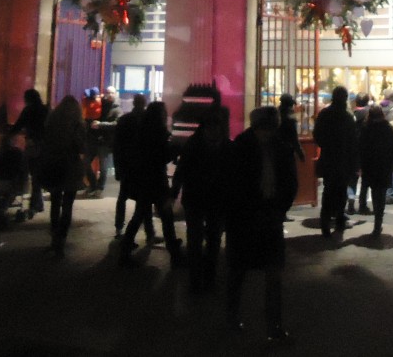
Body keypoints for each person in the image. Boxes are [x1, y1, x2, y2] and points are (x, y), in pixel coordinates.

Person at [223, 106, 297, 345]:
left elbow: (290, 184)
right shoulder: (242, 148)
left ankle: (272, 325)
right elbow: (235, 186)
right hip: (246, 219)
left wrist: (278, 209)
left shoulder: (275, 148)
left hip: (267, 217)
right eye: (266, 128)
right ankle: (235, 318)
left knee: (268, 274)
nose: (268, 133)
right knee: (240, 272)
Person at [172, 106, 230, 293]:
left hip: (215, 200)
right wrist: (173, 194)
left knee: (212, 241)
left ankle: (207, 279)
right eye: (211, 127)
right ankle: (197, 281)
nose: (214, 131)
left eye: (216, 127)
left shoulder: (224, 146)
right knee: (196, 241)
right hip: (197, 199)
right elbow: (181, 172)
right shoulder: (197, 145)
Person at [118, 100, 181, 266]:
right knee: (166, 217)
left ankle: (124, 252)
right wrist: (174, 148)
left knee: (140, 215)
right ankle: (175, 254)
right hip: (156, 181)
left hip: (143, 180)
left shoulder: (143, 132)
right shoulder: (159, 134)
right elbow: (162, 157)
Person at [40, 96, 87, 255]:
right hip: (70, 167)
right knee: (67, 206)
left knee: (55, 201)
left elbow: (45, 141)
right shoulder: (77, 124)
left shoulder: (53, 121)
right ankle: (61, 240)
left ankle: (54, 237)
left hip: (53, 164)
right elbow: (80, 147)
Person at [313, 86, 357, 238]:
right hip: (343, 160)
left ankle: (325, 222)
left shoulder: (325, 114)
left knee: (328, 191)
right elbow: (353, 142)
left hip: (329, 159)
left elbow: (317, 135)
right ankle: (339, 219)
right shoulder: (347, 117)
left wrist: (326, 145)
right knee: (341, 191)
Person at [112, 94, 155, 241]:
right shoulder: (148, 121)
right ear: (144, 104)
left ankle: (119, 227)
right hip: (143, 166)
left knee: (123, 197)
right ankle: (149, 232)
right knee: (144, 200)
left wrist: (118, 166)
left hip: (127, 165)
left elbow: (117, 145)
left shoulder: (124, 120)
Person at [358, 105, 393, 237]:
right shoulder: (388, 128)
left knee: (375, 193)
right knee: (382, 193)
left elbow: (361, 148)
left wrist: (361, 165)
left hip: (371, 166)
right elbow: (392, 147)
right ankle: (378, 221)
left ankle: (377, 223)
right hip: (384, 166)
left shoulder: (366, 128)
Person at [10, 89, 48, 216]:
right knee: (38, 174)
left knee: (32, 173)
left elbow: (18, 125)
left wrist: (9, 134)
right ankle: (38, 203)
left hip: (33, 144)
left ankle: (35, 204)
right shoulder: (46, 109)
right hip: (45, 145)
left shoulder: (29, 110)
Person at [89, 87, 120, 194]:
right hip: (96, 139)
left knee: (103, 166)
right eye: (108, 92)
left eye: (112, 93)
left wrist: (100, 125)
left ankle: (99, 188)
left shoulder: (117, 108)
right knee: (86, 163)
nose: (110, 94)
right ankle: (93, 185)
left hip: (106, 141)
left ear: (116, 94)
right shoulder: (102, 105)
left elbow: (117, 124)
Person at [81, 87, 103, 194]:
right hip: (94, 140)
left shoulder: (95, 105)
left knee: (86, 163)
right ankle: (95, 186)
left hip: (93, 141)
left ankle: (94, 186)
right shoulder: (100, 103)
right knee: (88, 164)